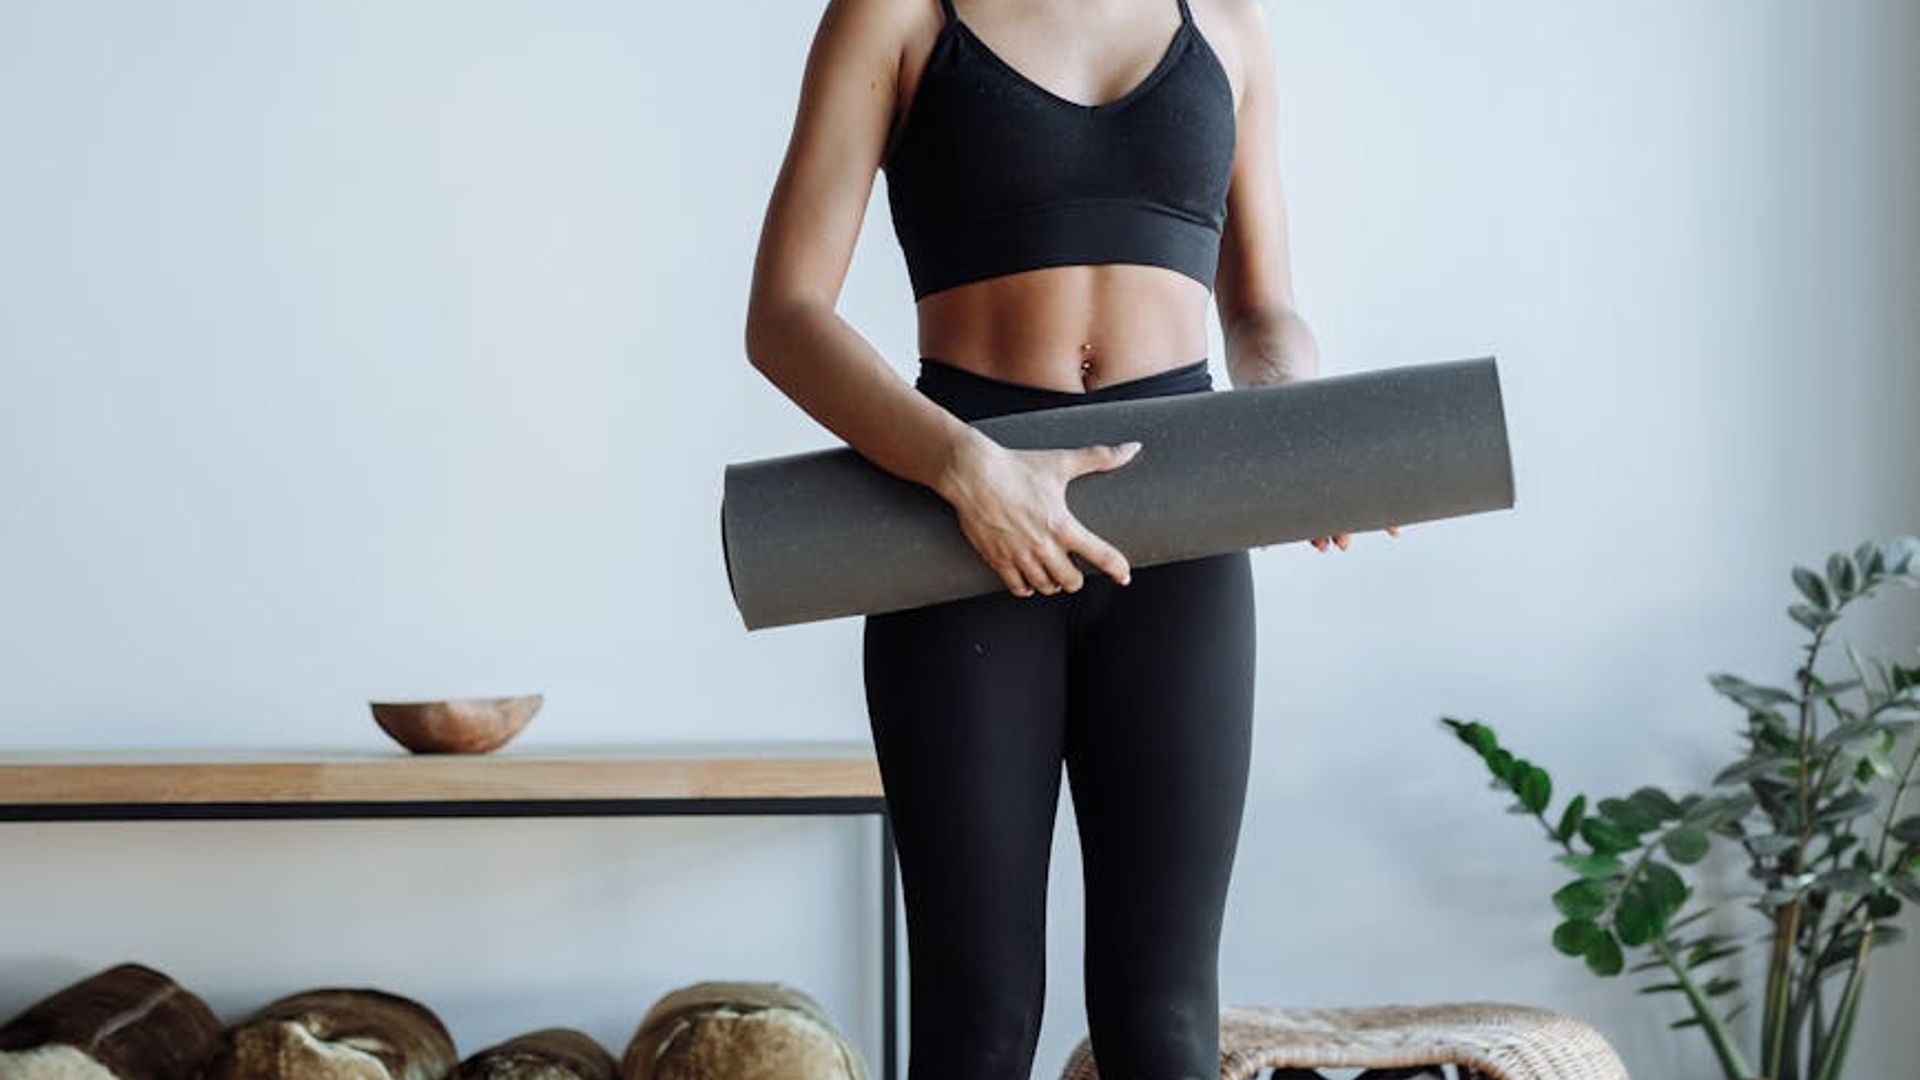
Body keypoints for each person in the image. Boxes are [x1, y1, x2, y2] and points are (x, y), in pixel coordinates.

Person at [743, 0, 1396, 1076]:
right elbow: (784, 313)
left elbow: (1264, 309)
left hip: (1178, 544)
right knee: (976, 1018)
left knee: (1167, 1023)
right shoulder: (896, 13)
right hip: (957, 534)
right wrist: (966, 469)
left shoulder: (1226, 27)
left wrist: (1296, 433)